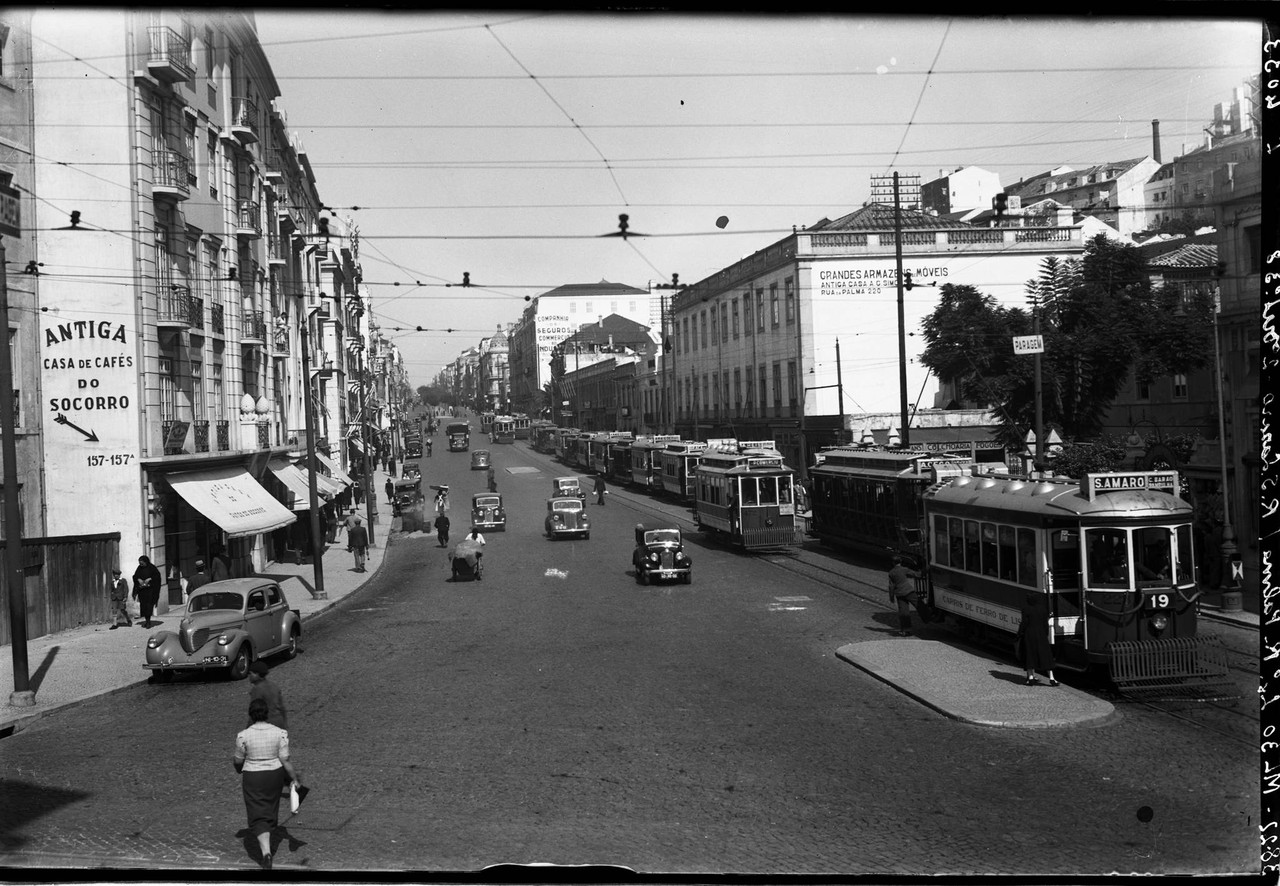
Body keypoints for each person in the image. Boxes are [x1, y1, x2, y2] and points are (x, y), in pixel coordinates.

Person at [234, 698, 301, 871]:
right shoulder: (279, 733)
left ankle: (266, 852)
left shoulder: (243, 735)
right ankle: (268, 844)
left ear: (251, 714)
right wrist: (294, 778)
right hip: (274, 775)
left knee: (257, 811)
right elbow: (285, 760)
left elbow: (238, 760)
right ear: (266, 713)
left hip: (253, 777)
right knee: (270, 808)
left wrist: (238, 768)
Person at [1016, 592, 1058, 686]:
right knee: (1046, 657)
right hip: (1041, 635)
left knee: (1030, 655)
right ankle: (1052, 678)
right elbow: (1045, 624)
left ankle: (1030, 677)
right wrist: (1045, 634)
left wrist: (1019, 633)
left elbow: (1024, 623)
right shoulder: (1043, 609)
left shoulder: (1026, 609)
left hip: (1029, 635)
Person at [886, 555, 933, 636]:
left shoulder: (891, 573)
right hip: (909, 591)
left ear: (893, 563)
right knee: (919, 605)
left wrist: (891, 597)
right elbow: (918, 574)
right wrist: (928, 568)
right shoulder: (904, 569)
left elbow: (891, 586)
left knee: (903, 612)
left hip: (899, 594)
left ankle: (906, 630)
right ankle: (928, 617)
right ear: (900, 562)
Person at [248, 661, 288, 731]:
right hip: (279, 722)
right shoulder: (274, 686)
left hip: (266, 724)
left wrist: (247, 729)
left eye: (250, 673)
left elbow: (254, 712)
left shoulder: (257, 689)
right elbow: (282, 707)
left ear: (257, 674)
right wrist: (285, 723)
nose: (249, 676)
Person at [132, 555, 162, 628]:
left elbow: (157, 577)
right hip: (142, 591)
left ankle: (148, 621)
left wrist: (150, 579)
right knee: (144, 606)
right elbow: (135, 576)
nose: (141, 565)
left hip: (150, 591)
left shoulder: (152, 568)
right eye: (140, 563)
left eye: (142, 563)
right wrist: (138, 579)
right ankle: (146, 620)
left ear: (146, 562)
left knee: (149, 606)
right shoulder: (139, 568)